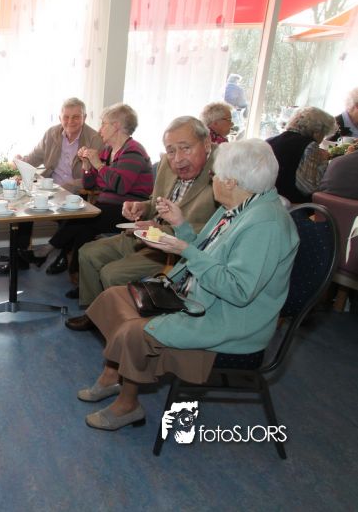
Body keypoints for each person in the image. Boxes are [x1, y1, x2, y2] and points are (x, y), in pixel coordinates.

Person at [75, 139, 298, 431]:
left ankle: (128, 405)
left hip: (229, 321)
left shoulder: (265, 225)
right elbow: (206, 252)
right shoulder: (237, 207)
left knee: (134, 330)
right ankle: (112, 375)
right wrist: (181, 225)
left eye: (215, 175)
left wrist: (185, 250)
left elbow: (238, 291)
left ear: (231, 182)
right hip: (201, 295)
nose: (212, 179)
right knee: (114, 298)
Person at [66, 116, 217, 320]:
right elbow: (155, 201)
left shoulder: (222, 175)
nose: (177, 159)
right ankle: (94, 314)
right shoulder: (166, 164)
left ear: (206, 144)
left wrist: (162, 230)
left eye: (186, 148)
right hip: (148, 235)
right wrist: (142, 207)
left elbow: (217, 229)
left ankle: (118, 324)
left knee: (112, 273)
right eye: (171, 150)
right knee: (88, 252)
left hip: (177, 251)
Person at [23, 103, 153, 277]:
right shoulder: (108, 151)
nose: (100, 130)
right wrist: (86, 165)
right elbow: (91, 184)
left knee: (83, 218)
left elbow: (120, 186)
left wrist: (98, 165)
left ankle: (46, 251)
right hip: (106, 206)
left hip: (128, 210)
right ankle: (77, 276)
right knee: (83, 227)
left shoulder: (133, 151)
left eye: (103, 124)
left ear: (116, 126)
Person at [0, 97, 104, 274]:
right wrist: (18, 162)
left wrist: (68, 187)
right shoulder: (52, 133)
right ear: (60, 117)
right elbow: (34, 157)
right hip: (48, 188)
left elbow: (96, 176)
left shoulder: (94, 139)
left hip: (78, 191)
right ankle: (20, 258)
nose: (70, 121)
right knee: (22, 209)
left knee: (73, 213)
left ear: (84, 117)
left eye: (76, 117)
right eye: (66, 117)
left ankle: (62, 255)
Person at [267, 106, 336, 204]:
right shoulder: (310, 146)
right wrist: (323, 161)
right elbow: (308, 188)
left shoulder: (270, 140)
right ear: (317, 132)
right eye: (324, 134)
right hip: (292, 205)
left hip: (268, 200)